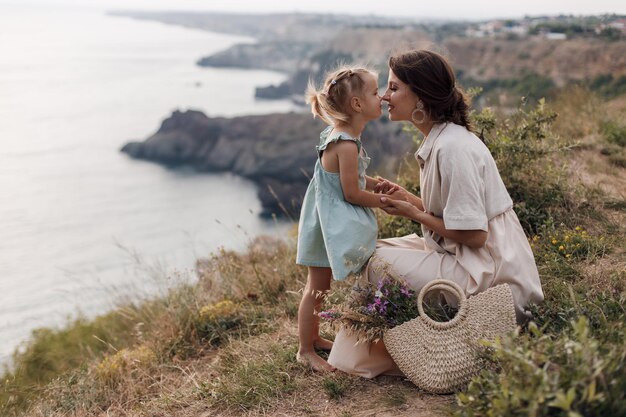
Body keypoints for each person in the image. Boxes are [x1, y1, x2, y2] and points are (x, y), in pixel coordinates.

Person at [327, 50, 544, 378]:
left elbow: (475, 234)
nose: (385, 97)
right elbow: (458, 215)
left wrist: (413, 213)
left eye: (394, 88)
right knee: (377, 250)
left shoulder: (451, 148)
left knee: (376, 262)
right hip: (478, 260)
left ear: (420, 97)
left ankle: (386, 355)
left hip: (493, 282)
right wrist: (408, 199)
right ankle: (378, 348)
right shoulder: (445, 139)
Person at [295, 65, 402, 372]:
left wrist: (375, 184)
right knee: (315, 287)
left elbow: (352, 178)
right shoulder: (345, 142)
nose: (381, 96)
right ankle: (304, 349)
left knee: (320, 286)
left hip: (323, 218)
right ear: (357, 105)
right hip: (323, 225)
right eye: (374, 92)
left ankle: (313, 337)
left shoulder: (343, 135)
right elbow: (351, 192)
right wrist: (383, 201)